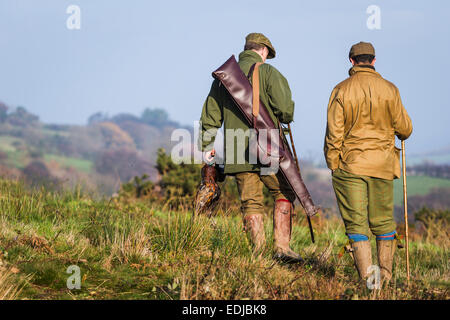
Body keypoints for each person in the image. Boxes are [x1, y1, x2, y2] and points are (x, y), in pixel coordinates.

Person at [199, 33, 303, 262]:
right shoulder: (268, 72)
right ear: (264, 51)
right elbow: (286, 111)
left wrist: (207, 146)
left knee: (251, 202)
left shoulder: (223, 77)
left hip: (237, 151)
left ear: (246, 49)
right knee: (284, 192)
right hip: (268, 149)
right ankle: (282, 249)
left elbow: (210, 115)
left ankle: (258, 254)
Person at [324, 42, 413, 285]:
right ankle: (385, 279)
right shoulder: (390, 89)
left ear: (351, 61)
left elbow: (334, 133)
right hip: (383, 166)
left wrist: (333, 163)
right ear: (373, 61)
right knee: (383, 222)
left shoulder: (341, 90)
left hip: (349, 166)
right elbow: (405, 129)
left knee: (357, 223)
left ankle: (370, 284)